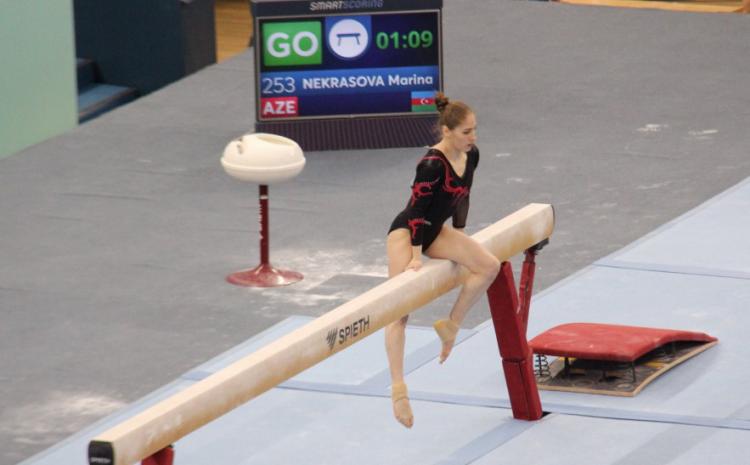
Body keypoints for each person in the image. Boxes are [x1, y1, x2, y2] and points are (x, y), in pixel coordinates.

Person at [384, 93, 501, 428]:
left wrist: (462, 236)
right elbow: (417, 213)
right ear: (447, 131)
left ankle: (451, 325)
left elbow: (463, 198)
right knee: (399, 311)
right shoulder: (432, 164)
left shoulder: (471, 154)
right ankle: (399, 390)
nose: (473, 137)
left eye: (474, 130)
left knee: (488, 266)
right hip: (407, 234)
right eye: (466, 132)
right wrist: (415, 260)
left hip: (436, 230)